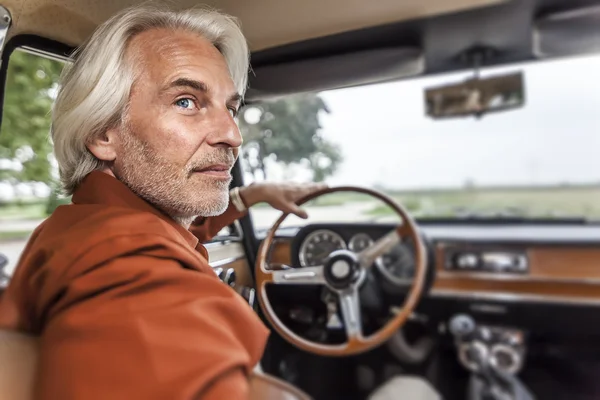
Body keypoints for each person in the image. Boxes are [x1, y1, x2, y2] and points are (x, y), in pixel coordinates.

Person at [0, 4, 324, 399]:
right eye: (186, 101)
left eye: (231, 107)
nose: (232, 135)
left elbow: (183, 231)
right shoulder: (126, 265)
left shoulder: (84, 225)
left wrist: (249, 195)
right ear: (103, 133)